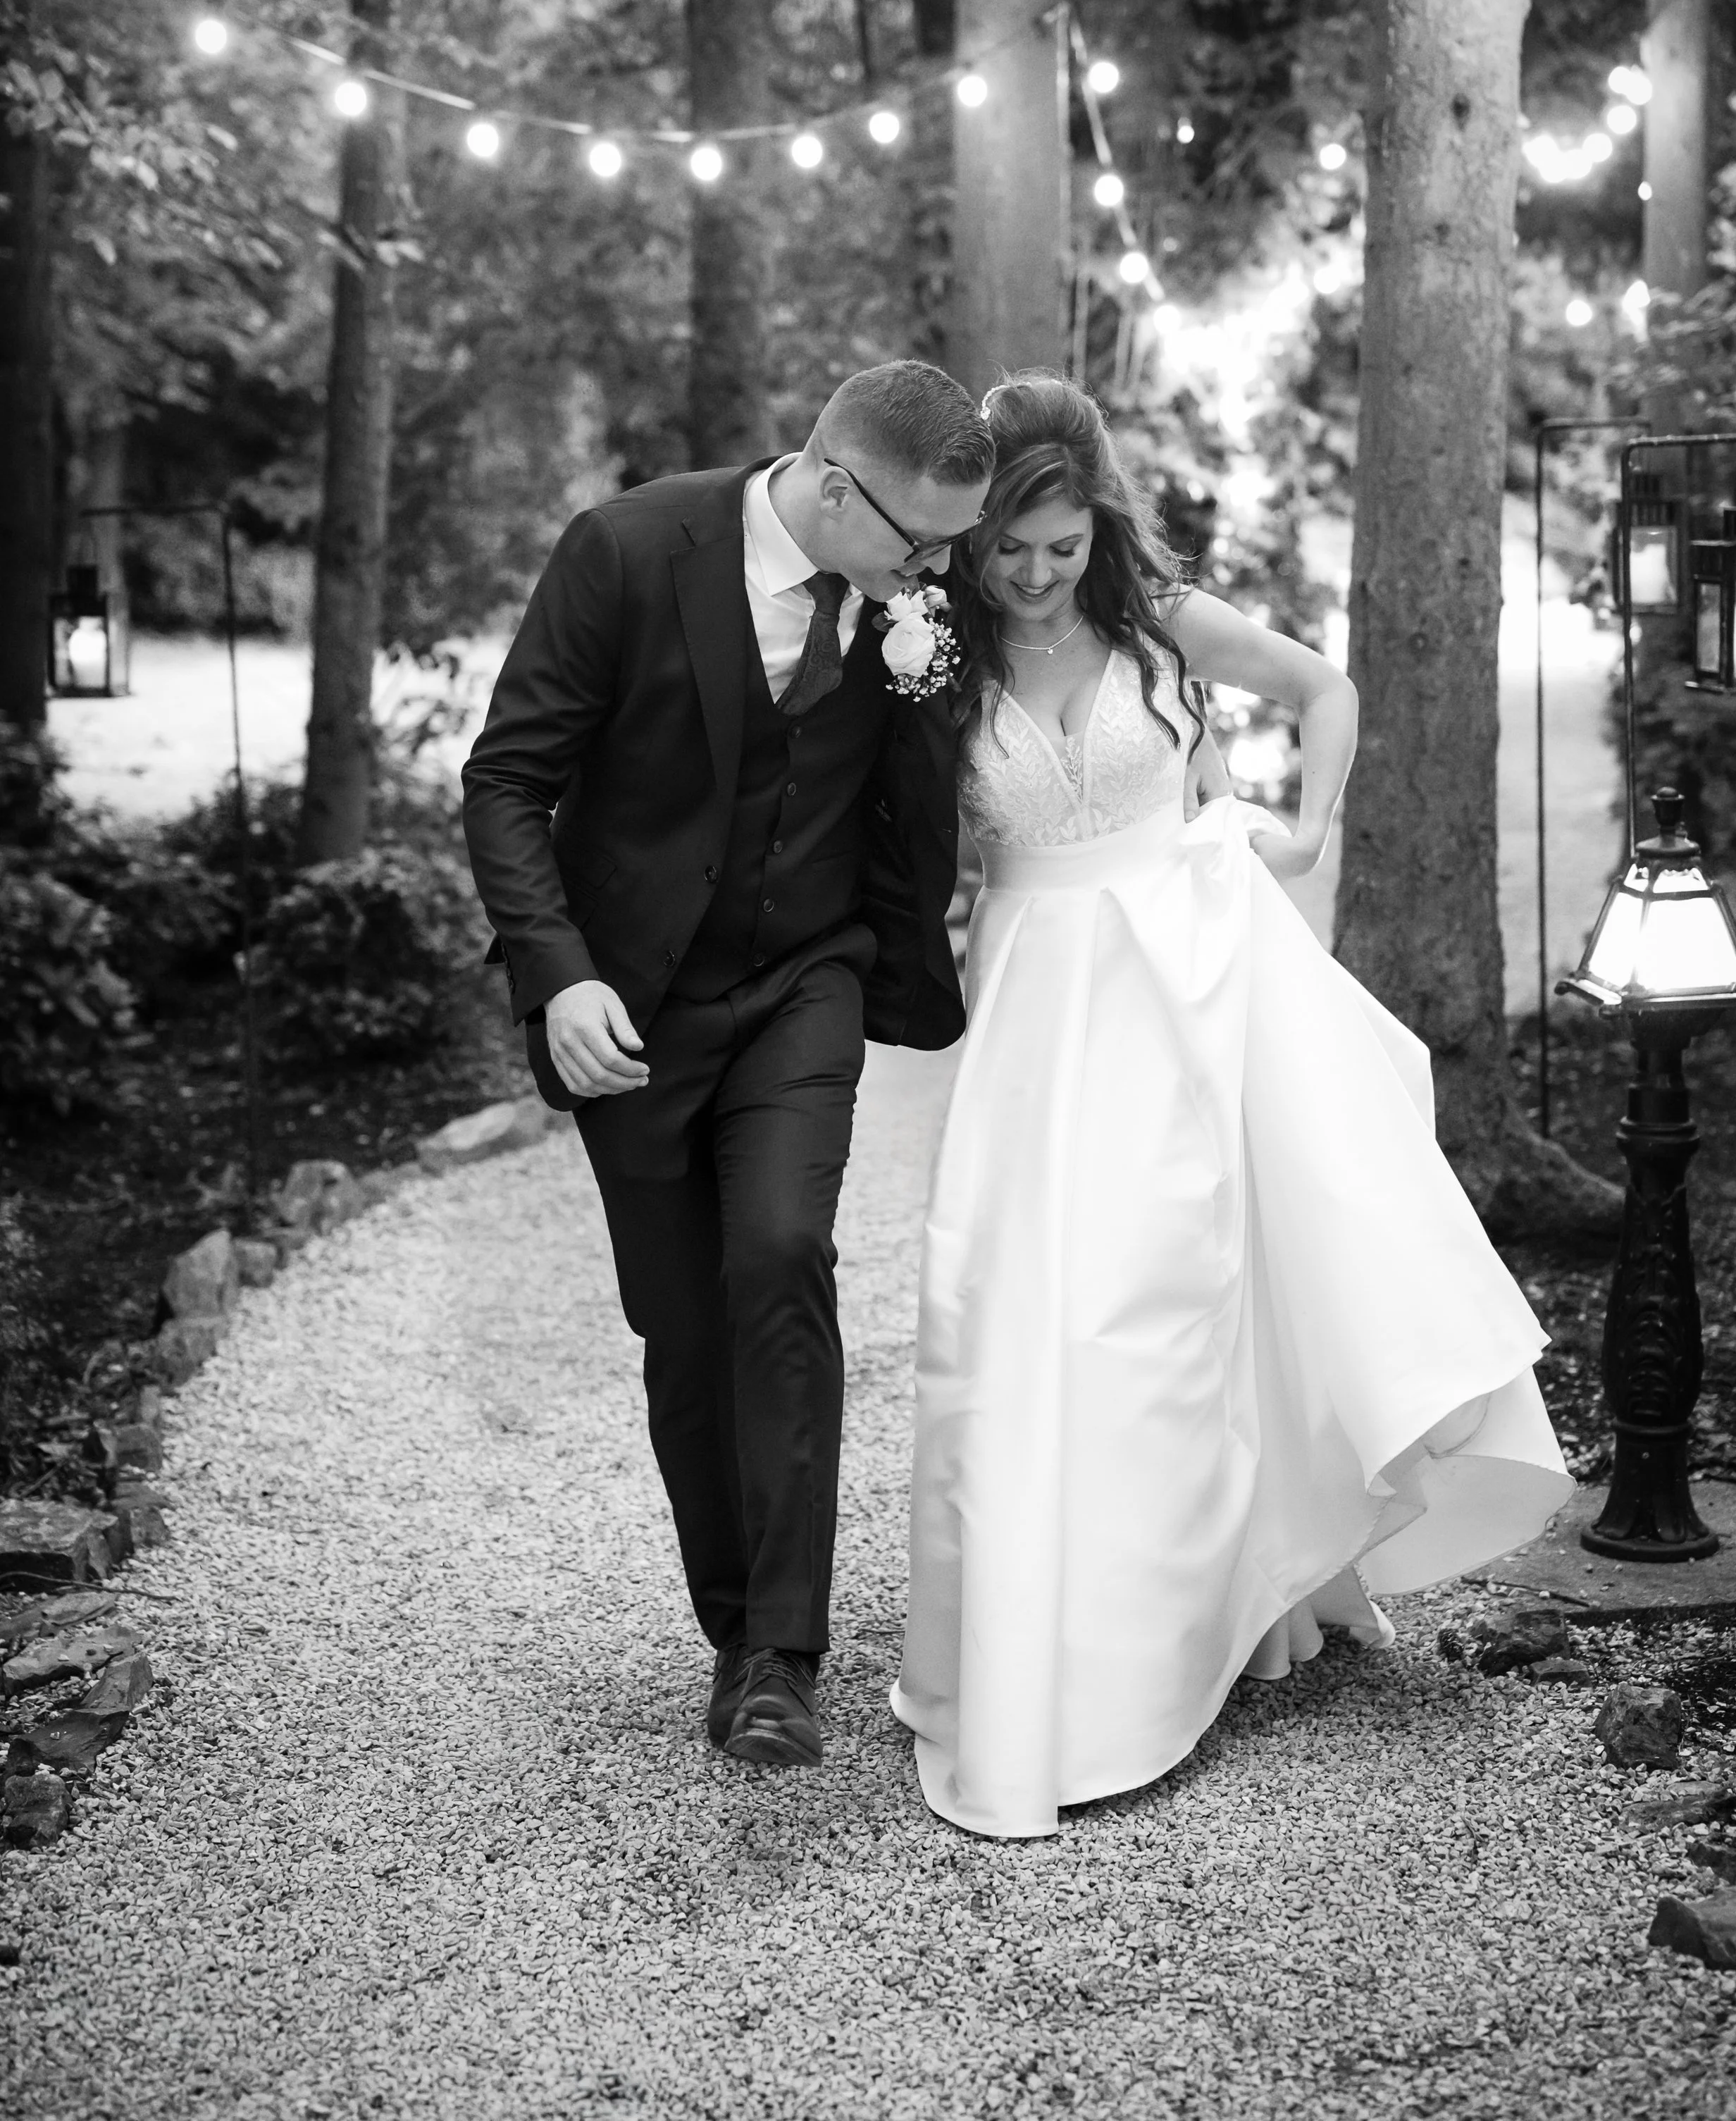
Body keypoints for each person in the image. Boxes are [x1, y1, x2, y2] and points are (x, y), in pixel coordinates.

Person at [890, 376, 1573, 1839]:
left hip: (1190, 984)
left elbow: (1325, 690)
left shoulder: (1154, 626)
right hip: (1033, 1009)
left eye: (1059, 546)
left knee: (1180, 1297)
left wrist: (1305, 827)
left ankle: (1220, 1613)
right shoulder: (929, 657)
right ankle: (1051, 1655)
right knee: (1031, 1314)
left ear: (1094, 525)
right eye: (1008, 549)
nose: (1031, 574)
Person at [460, 361, 1000, 1771]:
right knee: (682, 1331)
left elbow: (926, 782)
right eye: (916, 539)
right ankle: (728, 1617)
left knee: (778, 1254)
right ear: (830, 485)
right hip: (629, 1004)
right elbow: (506, 779)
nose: (933, 569)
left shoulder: (908, 611)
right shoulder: (628, 551)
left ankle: (782, 1653)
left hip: (802, 984)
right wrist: (557, 967)